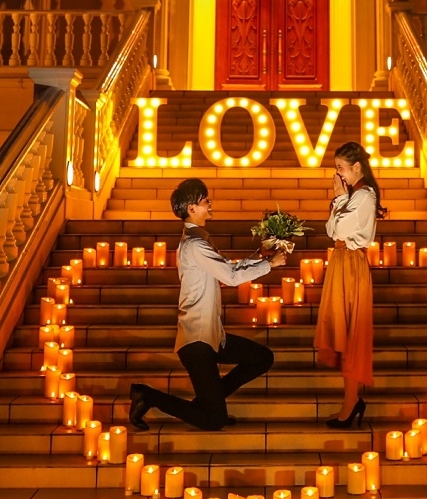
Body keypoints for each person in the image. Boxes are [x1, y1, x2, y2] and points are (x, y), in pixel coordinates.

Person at [129, 177, 286, 431]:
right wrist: (270, 265)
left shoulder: (198, 241)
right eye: (205, 201)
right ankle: (148, 396)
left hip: (211, 336)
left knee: (261, 358)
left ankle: (209, 403)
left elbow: (226, 268)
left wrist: (259, 258)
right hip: (197, 340)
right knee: (214, 421)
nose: (209, 204)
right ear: (191, 208)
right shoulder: (195, 244)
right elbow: (231, 277)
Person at [315, 140, 381, 428]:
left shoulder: (364, 196)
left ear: (356, 167)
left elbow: (340, 229)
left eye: (341, 168)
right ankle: (350, 398)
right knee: (342, 329)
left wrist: (339, 200)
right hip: (341, 260)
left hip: (351, 264)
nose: (337, 175)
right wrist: (339, 201)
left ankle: (351, 401)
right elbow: (331, 230)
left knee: (352, 332)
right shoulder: (352, 195)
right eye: (336, 169)